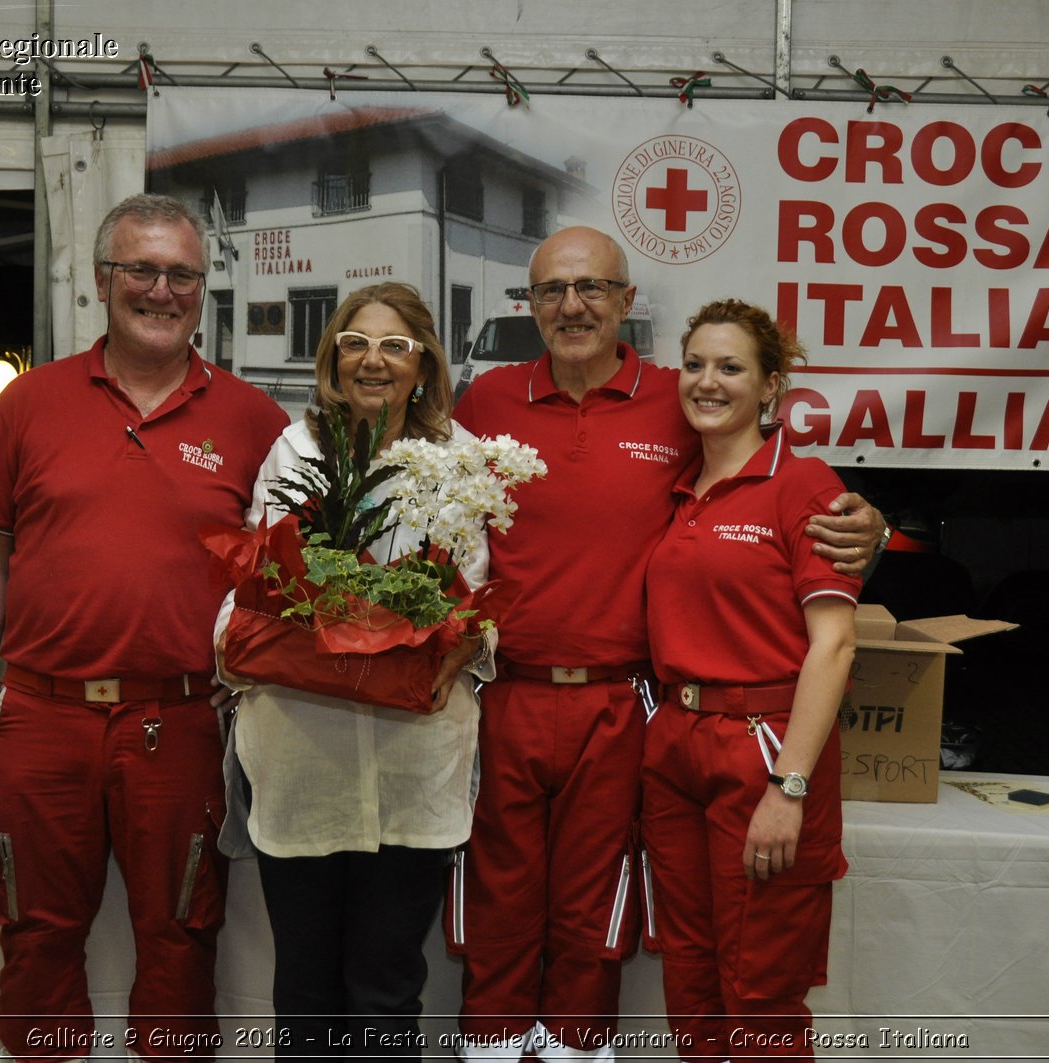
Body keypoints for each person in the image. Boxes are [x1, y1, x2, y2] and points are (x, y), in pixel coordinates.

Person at [447, 226, 886, 1061]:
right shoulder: (488, 404)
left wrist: (873, 522)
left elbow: (788, 492)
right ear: (530, 304)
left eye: (592, 288)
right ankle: (495, 1044)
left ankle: (575, 1048)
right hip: (520, 694)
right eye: (551, 290)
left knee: (608, 906)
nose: (572, 305)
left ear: (626, 302)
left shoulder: (677, 408)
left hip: (630, 704)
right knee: (523, 901)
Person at [0, 193, 290, 1063]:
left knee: (181, 934)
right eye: (141, 269)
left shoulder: (255, 423)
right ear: (103, 280)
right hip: (43, 716)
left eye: (182, 274)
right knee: (35, 932)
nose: (161, 290)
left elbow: (286, 581)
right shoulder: (28, 401)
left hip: (179, 723)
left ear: (203, 289)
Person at [213, 282, 492, 1059]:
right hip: (305, 750)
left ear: (424, 363)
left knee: (386, 982)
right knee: (304, 986)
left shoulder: (461, 461)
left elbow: (473, 588)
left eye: (396, 345)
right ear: (334, 357)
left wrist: (466, 639)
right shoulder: (297, 451)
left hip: (417, 758)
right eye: (356, 342)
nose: (375, 360)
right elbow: (268, 577)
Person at [641, 299, 859, 1059]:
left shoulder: (802, 484)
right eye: (695, 364)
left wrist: (788, 785)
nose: (708, 380)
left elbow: (833, 644)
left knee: (761, 991)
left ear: (771, 386)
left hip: (764, 748)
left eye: (731, 367)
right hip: (674, 745)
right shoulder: (677, 489)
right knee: (692, 981)